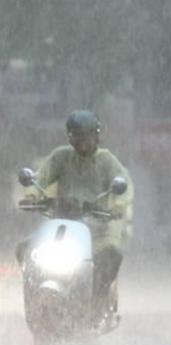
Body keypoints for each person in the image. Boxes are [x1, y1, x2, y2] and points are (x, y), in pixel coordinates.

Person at [16, 110, 134, 331]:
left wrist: (114, 206)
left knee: (110, 255)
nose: (83, 141)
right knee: (24, 249)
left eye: (87, 135)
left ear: (97, 136)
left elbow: (124, 185)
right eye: (77, 135)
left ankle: (96, 307)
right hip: (61, 224)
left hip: (98, 228)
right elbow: (40, 177)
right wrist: (33, 195)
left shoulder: (107, 161)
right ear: (69, 137)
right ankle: (33, 303)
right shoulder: (61, 157)